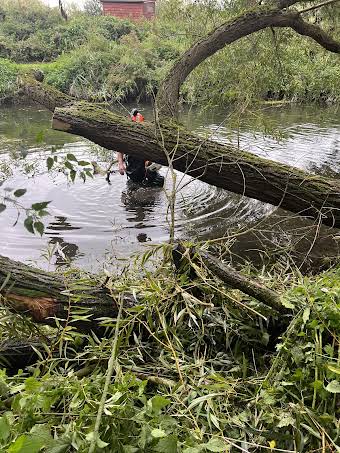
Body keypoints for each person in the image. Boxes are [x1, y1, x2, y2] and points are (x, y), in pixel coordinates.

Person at [117, 109, 164, 187]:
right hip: (133, 165)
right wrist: (120, 164)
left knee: (159, 181)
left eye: (140, 126)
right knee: (135, 184)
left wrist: (151, 161)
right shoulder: (127, 135)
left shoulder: (147, 134)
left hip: (146, 165)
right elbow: (119, 149)